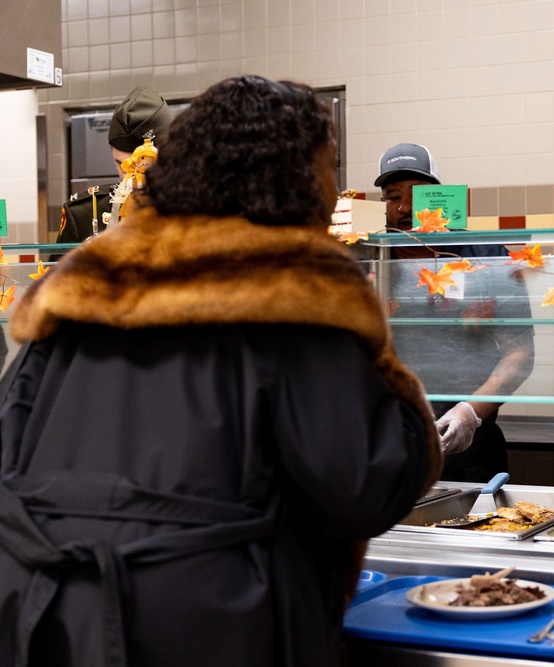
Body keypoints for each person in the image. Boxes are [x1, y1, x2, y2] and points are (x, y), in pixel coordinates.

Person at [0, 75, 441, 667]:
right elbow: (365, 484)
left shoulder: (87, 275)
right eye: (329, 167)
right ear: (300, 177)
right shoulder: (289, 290)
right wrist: (389, 377)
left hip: (54, 619)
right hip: (223, 626)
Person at [371, 142, 535, 482]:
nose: (404, 207)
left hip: (471, 450)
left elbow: (520, 353)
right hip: (385, 448)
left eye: (418, 194)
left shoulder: (485, 256)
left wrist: (470, 414)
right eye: (392, 196)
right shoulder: (370, 263)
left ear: (440, 197)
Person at [57, 85, 173, 244]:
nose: (130, 179)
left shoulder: (197, 210)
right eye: (122, 166)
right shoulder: (85, 214)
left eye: (141, 168)